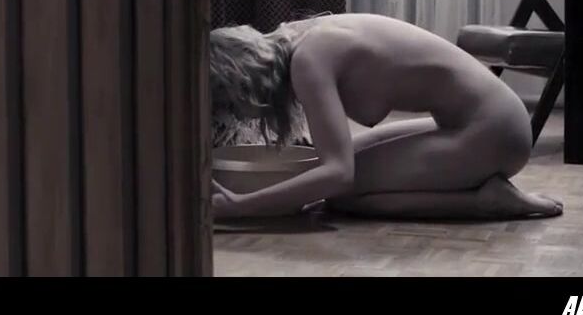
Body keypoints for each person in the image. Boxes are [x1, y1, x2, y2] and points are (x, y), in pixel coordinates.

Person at [209, 12, 563, 220]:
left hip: (496, 132)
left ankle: (484, 202)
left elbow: (339, 174)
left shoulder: (308, 62)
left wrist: (241, 206)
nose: (236, 114)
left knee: (342, 194)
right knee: (324, 171)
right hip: (485, 118)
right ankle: (474, 183)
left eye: (230, 103)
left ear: (243, 81)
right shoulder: (297, 37)